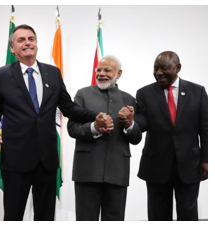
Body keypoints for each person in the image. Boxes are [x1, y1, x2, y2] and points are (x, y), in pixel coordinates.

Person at [0, 24, 113, 221]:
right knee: (13, 215)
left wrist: (94, 116)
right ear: (12, 48)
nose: (27, 43)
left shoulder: (53, 72)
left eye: (31, 39)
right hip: (16, 159)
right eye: (21, 40)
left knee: (45, 217)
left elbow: (68, 107)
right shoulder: (2, 75)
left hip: (47, 159)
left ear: (36, 43)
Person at [135, 51, 208, 221]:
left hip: (189, 166)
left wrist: (206, 160)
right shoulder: (144, 93)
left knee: (188, 216)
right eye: (155, 69)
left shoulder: (197, 92)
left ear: (178, 68)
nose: (158, 73)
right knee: (158, 216)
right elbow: (142, 121)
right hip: (156, 166)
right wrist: (131, 122)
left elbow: (205, 129)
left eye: (163, 68)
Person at [67, 55, 142, 221]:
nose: (101, 73)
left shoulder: (129, 99)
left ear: (119, 73)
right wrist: (95, 127)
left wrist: (129, 124)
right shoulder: (82, 95)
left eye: (107, 70)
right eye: (98, 70)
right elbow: (72, 128)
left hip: (118, 172)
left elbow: (136, 138)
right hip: (87, 171)